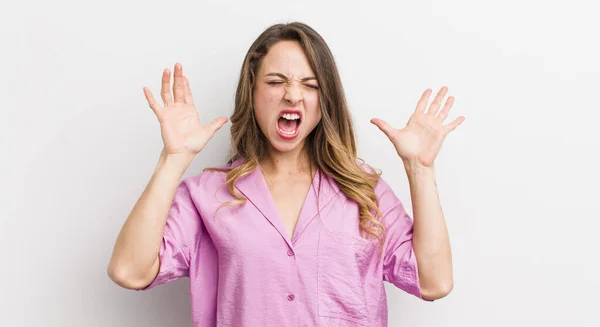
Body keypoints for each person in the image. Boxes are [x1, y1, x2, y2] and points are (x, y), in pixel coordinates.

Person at [107, 21, 464, 327]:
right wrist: (173, 158)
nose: (293, 95)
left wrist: (420, 169)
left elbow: (433, 281)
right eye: (277, 81)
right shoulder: (207, 194)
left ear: (324, 100)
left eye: (310, 85)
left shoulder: (364, 189)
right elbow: (129, 270)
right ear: (253, 91)